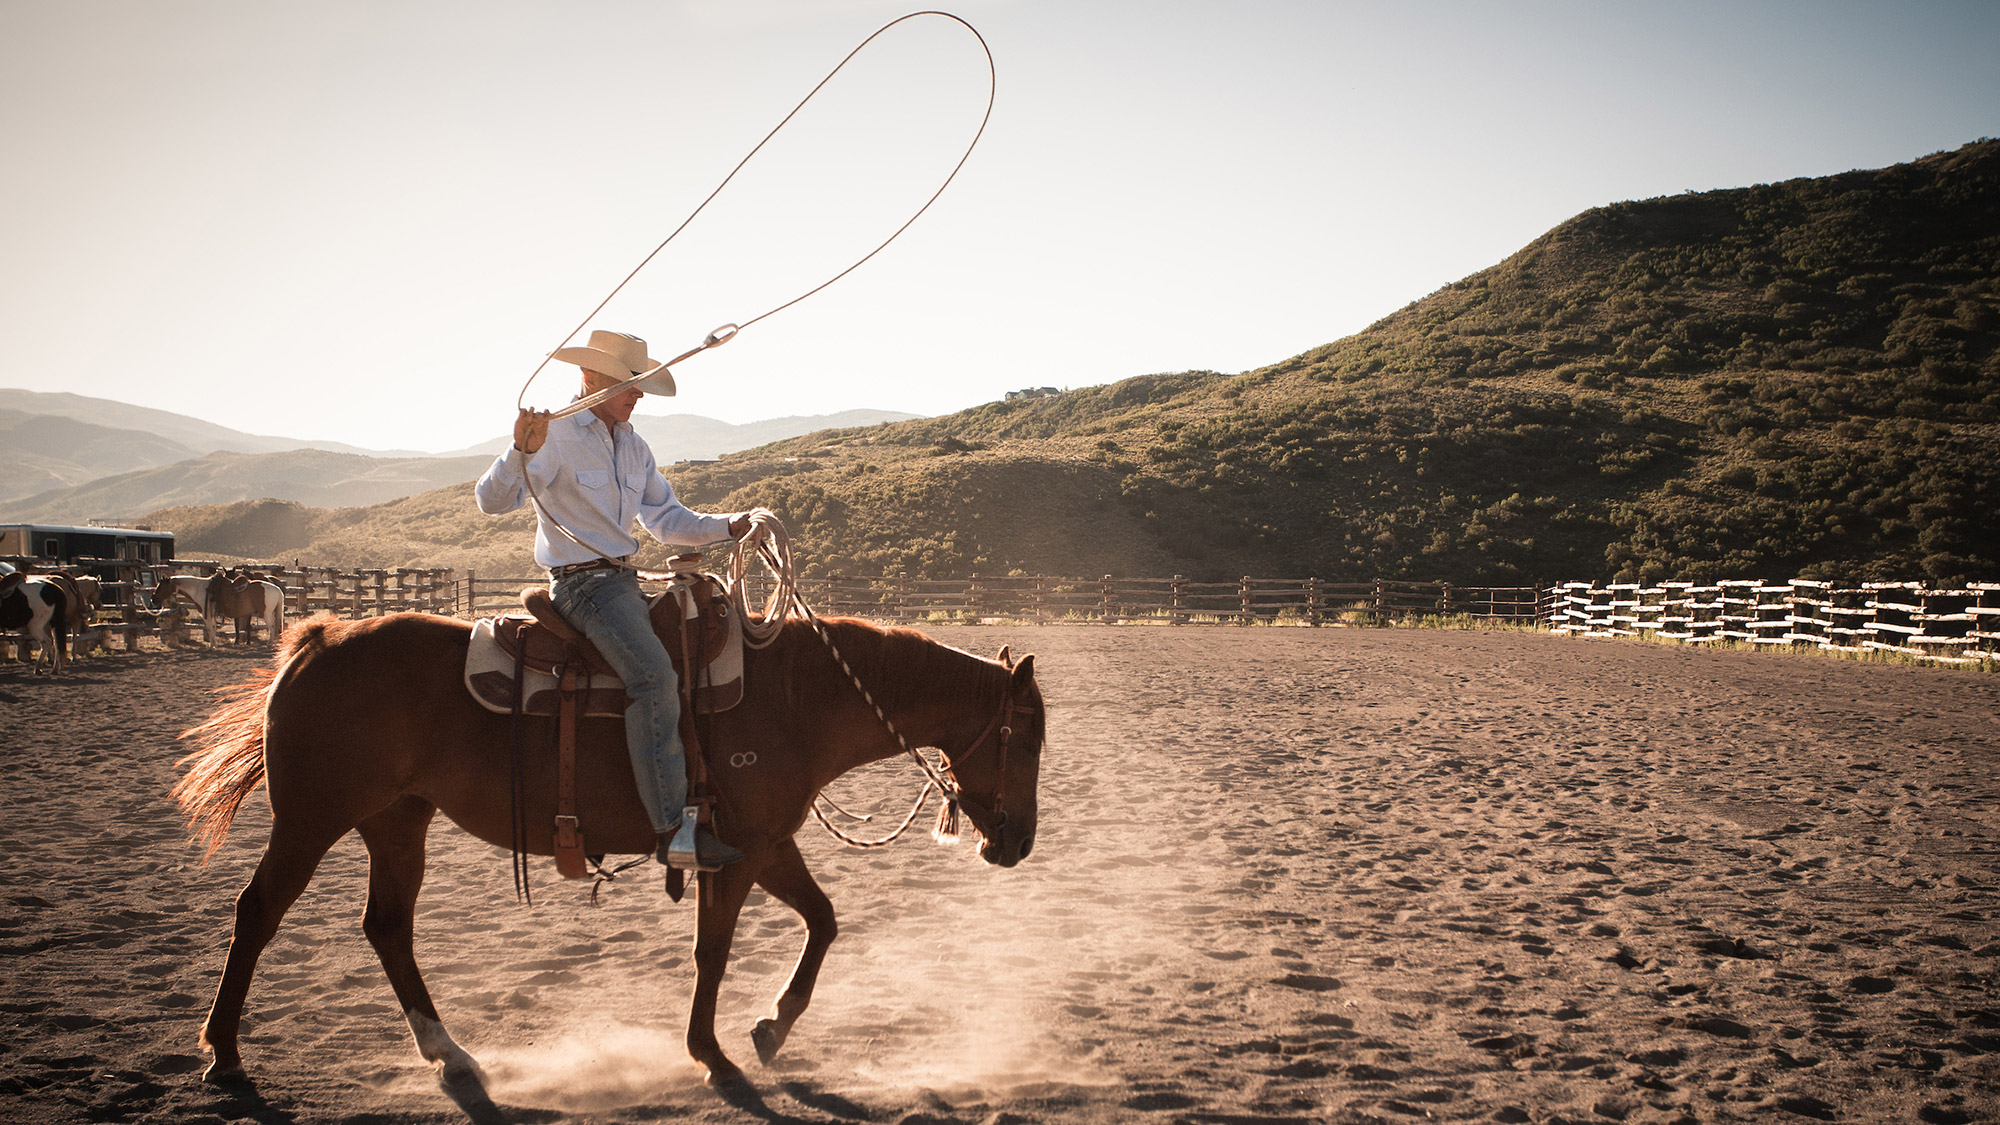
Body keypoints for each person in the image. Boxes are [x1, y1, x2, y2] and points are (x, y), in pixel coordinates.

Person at [475, 328, 749, 871]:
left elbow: (668, 520)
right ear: (591, 379)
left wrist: (732, 526)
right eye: (631, 383)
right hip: (582, 584)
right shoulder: (550, 436)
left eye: (641, 385)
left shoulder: (633, 444)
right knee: (651, 676)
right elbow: (492, 501)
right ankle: (673, 831)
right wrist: (517, 452)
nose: (639, 395)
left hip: (624, 579)